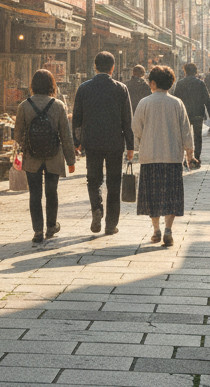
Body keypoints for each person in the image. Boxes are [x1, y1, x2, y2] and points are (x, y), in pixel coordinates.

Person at [72, 51, 135, 236]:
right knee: (114, 183)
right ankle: (110, 225)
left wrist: (77, 141)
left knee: (93, 180)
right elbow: (127, 120)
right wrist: (130, 145)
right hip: (115, 142)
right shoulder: (121, 89)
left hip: (92, 142)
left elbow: (76, 118)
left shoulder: (84, 88)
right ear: (112, 68)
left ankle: (97, 209)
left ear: (95, 66)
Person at [132, 66, 195, 247]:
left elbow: (136, 129)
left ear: (152, 83)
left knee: (152, 195)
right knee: (171, 195)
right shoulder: (177, 103)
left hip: (150, 157)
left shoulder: (144, 103)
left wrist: (135, 148)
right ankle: (168, 229)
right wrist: (189, 153)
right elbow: (186, 130)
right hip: (172, 157)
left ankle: (156, 230)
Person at [14, 69, 78, 244]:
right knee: (51, 192)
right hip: (54, 157)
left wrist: (23, 150)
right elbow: (66, 136)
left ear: (33, 85)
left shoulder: (24, 106)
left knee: (34, 194)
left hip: (31, 157)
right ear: (52, 85)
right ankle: (51, 226)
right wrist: (71, 161)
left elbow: (17, 135)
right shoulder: (58, 105)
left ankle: (37, 231)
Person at [170, 62, 210, 168]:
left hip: (185, 114)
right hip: (198, 114)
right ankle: (196, 158)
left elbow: (176, 99)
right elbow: (206, 98)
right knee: (198, 136)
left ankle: (186, 158)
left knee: (184, 136)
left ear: (185, 71)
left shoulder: (180, 83)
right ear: (196, 72)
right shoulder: (200, 83)